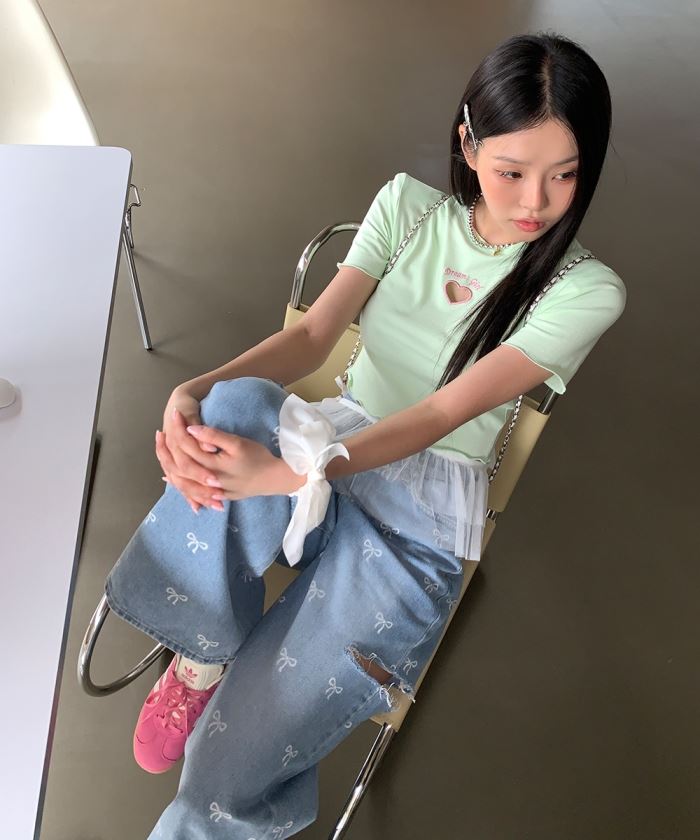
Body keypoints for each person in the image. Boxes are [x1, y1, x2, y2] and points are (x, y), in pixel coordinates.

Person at [104, 31, 627, 839]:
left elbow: (441, 415)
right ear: (468, 143)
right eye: (511, 171)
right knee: (236, 405)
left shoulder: (586, 290)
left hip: (417, 526)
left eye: (565, 174)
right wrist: (193, 390)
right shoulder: (408, 210)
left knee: (219, 778)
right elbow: (314, 338)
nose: (535, 202)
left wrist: (294, 476)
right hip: (339, 438)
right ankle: (204, 647)